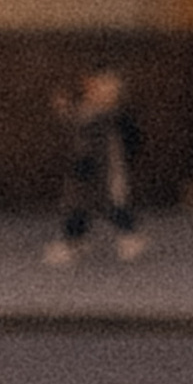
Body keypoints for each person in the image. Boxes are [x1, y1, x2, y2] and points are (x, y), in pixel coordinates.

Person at [45, 67, 145, 266]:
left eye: (96, 88)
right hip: (84, 168)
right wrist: (64, 109)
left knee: (107, 205)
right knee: (77, 206)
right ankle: (74, 241)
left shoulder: (107, 115)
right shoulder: (90, 110)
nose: (89, 90)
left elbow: (91, 133)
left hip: (101, 169)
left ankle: (129, 237)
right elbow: (76, 121)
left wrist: (67, 110)